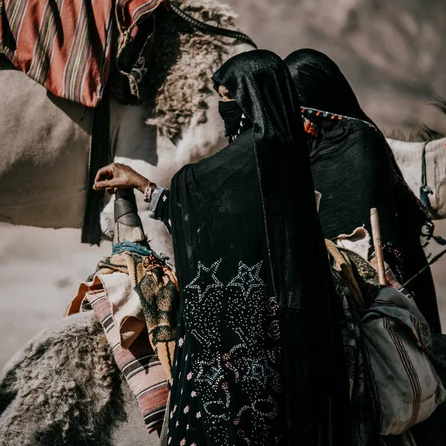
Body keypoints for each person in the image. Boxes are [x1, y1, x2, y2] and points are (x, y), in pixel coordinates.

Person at [94, 50, 351, 446]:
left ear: (252, 97)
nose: (223, 107)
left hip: (244, 331)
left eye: (228, 96)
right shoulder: (290, 153)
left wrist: (137, 182)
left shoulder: (245, 159)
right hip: (296, 321)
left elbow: (190, 195)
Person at [284, 48, 441, 333]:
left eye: (303, 110)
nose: (301, 123)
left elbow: (382, 230)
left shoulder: (361, 144)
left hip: (384, 290)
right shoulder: (301, 154)